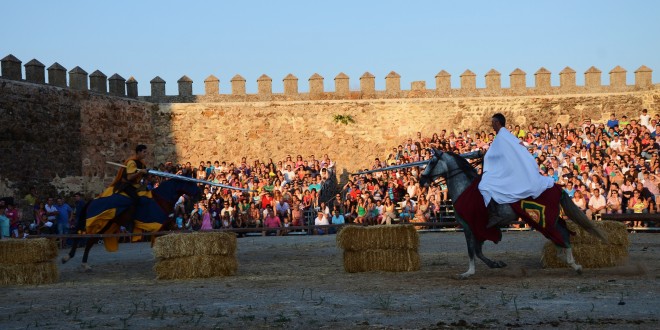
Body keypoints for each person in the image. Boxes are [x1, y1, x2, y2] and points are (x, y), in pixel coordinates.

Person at [478, 113, 555, 226]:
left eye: (493, 122)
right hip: (505, 167)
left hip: (506, 170)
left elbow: (491, 156)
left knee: (483, 186)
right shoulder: (505, 135)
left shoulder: (501, 136)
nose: (492, 125)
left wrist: (486, 155)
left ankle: (494, 214)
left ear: (498, 123)